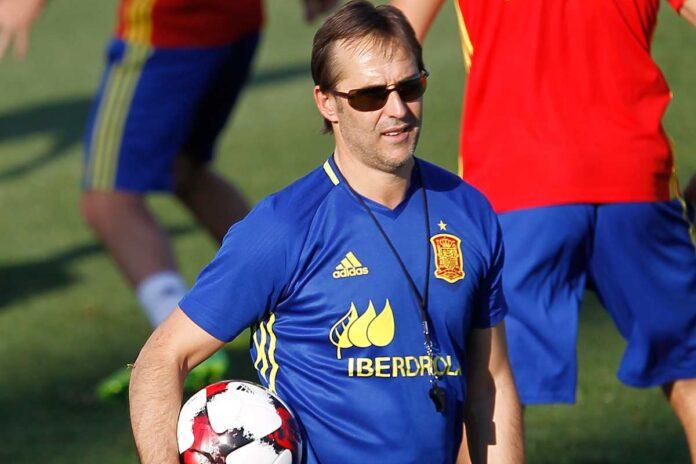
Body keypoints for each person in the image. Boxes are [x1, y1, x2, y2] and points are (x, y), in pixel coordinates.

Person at [128, 2, 524, 463]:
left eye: (410, 87)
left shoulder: (468, 211)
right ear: (327, 102)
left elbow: (490, 383)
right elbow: (161, 360)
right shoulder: (283, 227)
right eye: (370, 96)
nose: (397, 110)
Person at [392, 0, 696, 460]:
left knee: (489, 386)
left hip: (517, 182)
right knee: (690, 373)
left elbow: (389, 40)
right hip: (635, 177)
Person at [0, 0, 337, 399]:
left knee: (108, 199)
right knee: (185, 170)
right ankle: (317, 301)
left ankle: (181, 348)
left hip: (168, 27)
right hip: (238, 23)